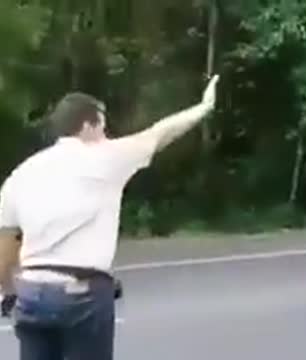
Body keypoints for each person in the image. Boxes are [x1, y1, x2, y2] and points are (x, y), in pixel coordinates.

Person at [0, 74, 220, 360]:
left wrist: (7, 291)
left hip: (32, 295)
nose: (107, 135)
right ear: (88, 125)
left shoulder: (22, 174)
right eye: (103, 126)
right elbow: (159, 133)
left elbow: (5, 243)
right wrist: (203, 107)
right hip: (82, 297)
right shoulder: (105, 157)